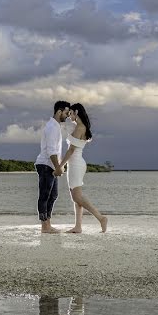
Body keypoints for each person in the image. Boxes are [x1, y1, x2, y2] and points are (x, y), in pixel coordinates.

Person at [59, 103, 108, 233]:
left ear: (76, 112)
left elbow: (71, 150)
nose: (69, 117)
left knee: (77, 197)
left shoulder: (80, 127)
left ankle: (101, 217)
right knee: (76, 197)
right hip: (75, 164)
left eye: (71, 114)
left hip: (75, 164)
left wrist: (60, 165)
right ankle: (78, 226)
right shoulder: (78, 126)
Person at [35, 100, 71, 234]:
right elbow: (51, 150)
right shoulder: (51, 127)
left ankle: (48, 223)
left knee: (53, 195)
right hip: (45, 164)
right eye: (66, 113)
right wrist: (58, 167)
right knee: (45, 195)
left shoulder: (56, 127)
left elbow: (55, 150)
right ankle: (45, 226)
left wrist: (59, 166)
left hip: (51, 165)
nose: (67, 116)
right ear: (59, 111)